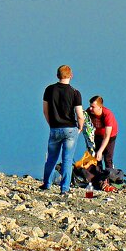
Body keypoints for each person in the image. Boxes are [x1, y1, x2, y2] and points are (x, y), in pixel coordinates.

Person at [41, 64, 84, 194]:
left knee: (51, 158)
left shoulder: (49, 90)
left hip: (55, 127)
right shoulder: (75, 92)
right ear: (71, 75)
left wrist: (51, 124)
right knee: (67, 159)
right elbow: (79, 114)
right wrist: (80, 127)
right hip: (70, 128)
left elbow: (45, 110)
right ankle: (64, 188)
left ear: (57, 75)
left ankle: (47, 183)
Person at [88, 95, 118, 171]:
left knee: (108, 158)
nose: (90, 108)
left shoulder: (108, 115)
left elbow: (107, 136)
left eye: (93, 107)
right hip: (97, 135)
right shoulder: (89, 111)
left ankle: (109, 178)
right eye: (90, 106)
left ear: (100, 107)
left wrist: (100, 151)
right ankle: (99, 178)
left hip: (110, 136)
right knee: (96, 157)